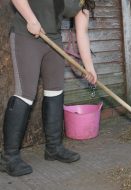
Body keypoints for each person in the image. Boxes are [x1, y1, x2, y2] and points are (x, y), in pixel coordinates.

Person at [0, 0, 97, 177]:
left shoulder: (83, 2)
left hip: (53, 41)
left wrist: (89, 67)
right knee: (25, 94)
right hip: (26, 36)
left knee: (55, 92)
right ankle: (9, 157)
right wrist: (31, 19)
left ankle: (54, 148)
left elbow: (81, 33)